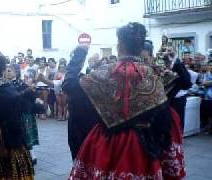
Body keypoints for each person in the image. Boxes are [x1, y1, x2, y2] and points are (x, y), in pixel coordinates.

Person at [69, 22, 185, 179]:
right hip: (142, 144)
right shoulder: (152, 75)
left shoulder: (104, 73)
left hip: (106, 142)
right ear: (140, 46)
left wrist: (79, 55)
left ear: (120, 45)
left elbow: (69, 85)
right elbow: (164, 116)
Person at [5, 64, 44, 165]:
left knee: (26, 135)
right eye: (6, 70)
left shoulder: (21, 83)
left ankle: (32, 155)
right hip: (12, 113)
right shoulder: (5, 84)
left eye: (9, 71)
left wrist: (37, 99)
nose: (7, 72)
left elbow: (32, 95)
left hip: (23, 112)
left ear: (16, 72)